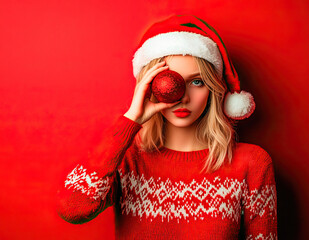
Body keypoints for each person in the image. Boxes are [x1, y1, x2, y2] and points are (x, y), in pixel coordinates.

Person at [57, 14, 278, 239]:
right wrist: (131, 118)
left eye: (197, 82)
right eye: (171, 81)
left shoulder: (252, 164)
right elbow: (73, 208)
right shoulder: (126, 160)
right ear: (148, 86)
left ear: (213, 89)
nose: (182, 97)